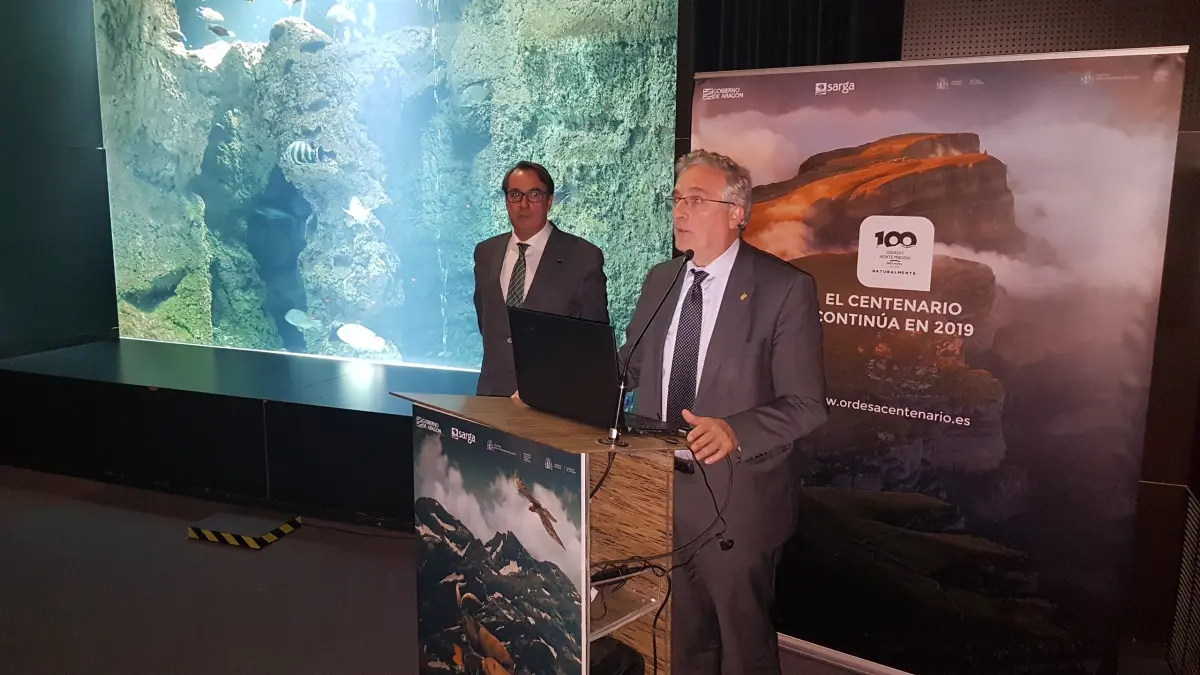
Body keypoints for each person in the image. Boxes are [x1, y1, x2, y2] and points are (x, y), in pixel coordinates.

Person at [618, 149, 828, 675]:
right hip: (659, 488)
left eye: (695, 200)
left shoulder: (784, 289)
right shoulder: (661, 279)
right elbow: (631, 366)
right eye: (676, 199)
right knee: (680, 642)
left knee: (743, 648)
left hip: (738, 500)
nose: (679, 211)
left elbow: (806, 405)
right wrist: (562, 380)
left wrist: (736, 430)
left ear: (737, 213)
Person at [473, 161, 610, 397]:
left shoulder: (583, 258)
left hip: (553, 402)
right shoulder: (486, 253)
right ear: (506, 200)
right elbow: (486, 321)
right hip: (491, 399)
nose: (523, 204)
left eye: (534, 194)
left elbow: (593, 344)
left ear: (549, 201)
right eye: (515, 194)